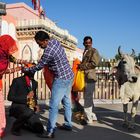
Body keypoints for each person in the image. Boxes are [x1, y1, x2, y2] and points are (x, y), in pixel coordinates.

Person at [22, 30, 74, 138]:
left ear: (46, 40)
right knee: (66, 101)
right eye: (37, 43)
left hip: (61, 79)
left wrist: (27, 69)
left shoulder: (48, 52)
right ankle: (68, 124)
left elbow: (39, 66)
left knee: (53, 106)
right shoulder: (55, 42)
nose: (39, 46)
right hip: (69, 75)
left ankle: (50, 131)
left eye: (40, 43)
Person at [8, 64, 44, 136]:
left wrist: (36, 105)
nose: (33, 71)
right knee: (28, 112)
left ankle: (23, 124)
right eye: (31, 70)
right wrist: (26, 97)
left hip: (29, 108)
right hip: (17, 107)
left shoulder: (34, 83)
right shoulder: (17, 80)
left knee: (39, 129)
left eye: (34, 70)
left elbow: (34, 96)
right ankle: (15, 128)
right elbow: (10, 97)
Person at [0, 34, 24, 138]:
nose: (10, 49)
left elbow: (12, 59)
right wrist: (14, 70)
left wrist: (22, 62)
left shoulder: (5, 54)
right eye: (8, 46)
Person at [78, 36, 100, 124]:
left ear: (91, 43)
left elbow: (95, 63)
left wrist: (82, 66)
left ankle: (88, 119)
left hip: (90, 77)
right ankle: (92, 116)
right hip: (85, 76)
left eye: (89, 42)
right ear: (83, 43)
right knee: (89, 98)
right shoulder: (85, 51)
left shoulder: (94, 51)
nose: (87, 44)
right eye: (86, 43)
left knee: (87, 97)